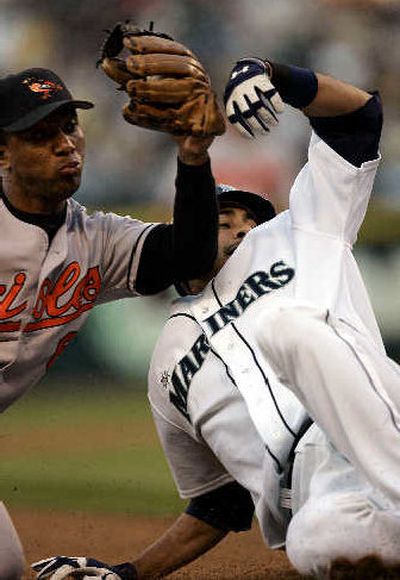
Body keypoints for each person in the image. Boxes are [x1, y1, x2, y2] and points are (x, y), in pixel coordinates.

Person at [32, 61, 400, 579]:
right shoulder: (166, 360)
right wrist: (131, 572)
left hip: (380, 414)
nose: (239, 225)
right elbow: (218, 505)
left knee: (286, 331)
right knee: (316, 544)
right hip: (316, 488)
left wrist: (277, 76)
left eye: (247, 217)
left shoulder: (302, 231)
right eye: (218, 218)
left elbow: (360, 117)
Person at [0, 65, 220, 579]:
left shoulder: (96, 239)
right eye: (39, 135)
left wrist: (192, 157)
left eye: (68, 127)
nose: (64, 144)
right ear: (2, 151)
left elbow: (188, 255)